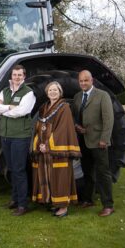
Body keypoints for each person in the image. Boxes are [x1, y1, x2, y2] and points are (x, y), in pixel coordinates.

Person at [31, 82, 81, 217]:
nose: (52, 92)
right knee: (49, 176)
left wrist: (47, 145)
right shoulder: (44, 107)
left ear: (60, 92)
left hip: (57, 149)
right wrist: (39, 144)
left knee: (60, 177)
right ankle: (55, 203)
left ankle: (63, 207)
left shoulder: (64, 107)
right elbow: (39, 127)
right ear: (47, 92)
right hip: (45, 150)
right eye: (50, 90)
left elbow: (62, 129)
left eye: (55, 90)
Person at [0, 64, 35, 216]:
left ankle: (23, 204)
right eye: (15, 75)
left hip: (20, 137)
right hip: (6, 135)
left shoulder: (28, 93)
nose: (17, 77)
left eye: (20, 75)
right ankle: (15, 200)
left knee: (19, 170)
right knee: (11, 169)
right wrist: (10, 107)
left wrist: (4, 110)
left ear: (24, 76)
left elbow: (22, 111)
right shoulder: (5, 91)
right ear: (12, 76)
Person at [72, 70, 115, 217]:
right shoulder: (77, 97)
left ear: (92, 80)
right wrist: (77, 126)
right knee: (87, 172)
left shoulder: (103, 95)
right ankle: (88, 199)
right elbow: (76, 117)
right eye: (81, 81)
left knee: (103, 173)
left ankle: (108, 205)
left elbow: (109, 119)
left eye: (86, 80)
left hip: (99, 141)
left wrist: (105, 139)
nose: (83, 83)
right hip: (83, 141)